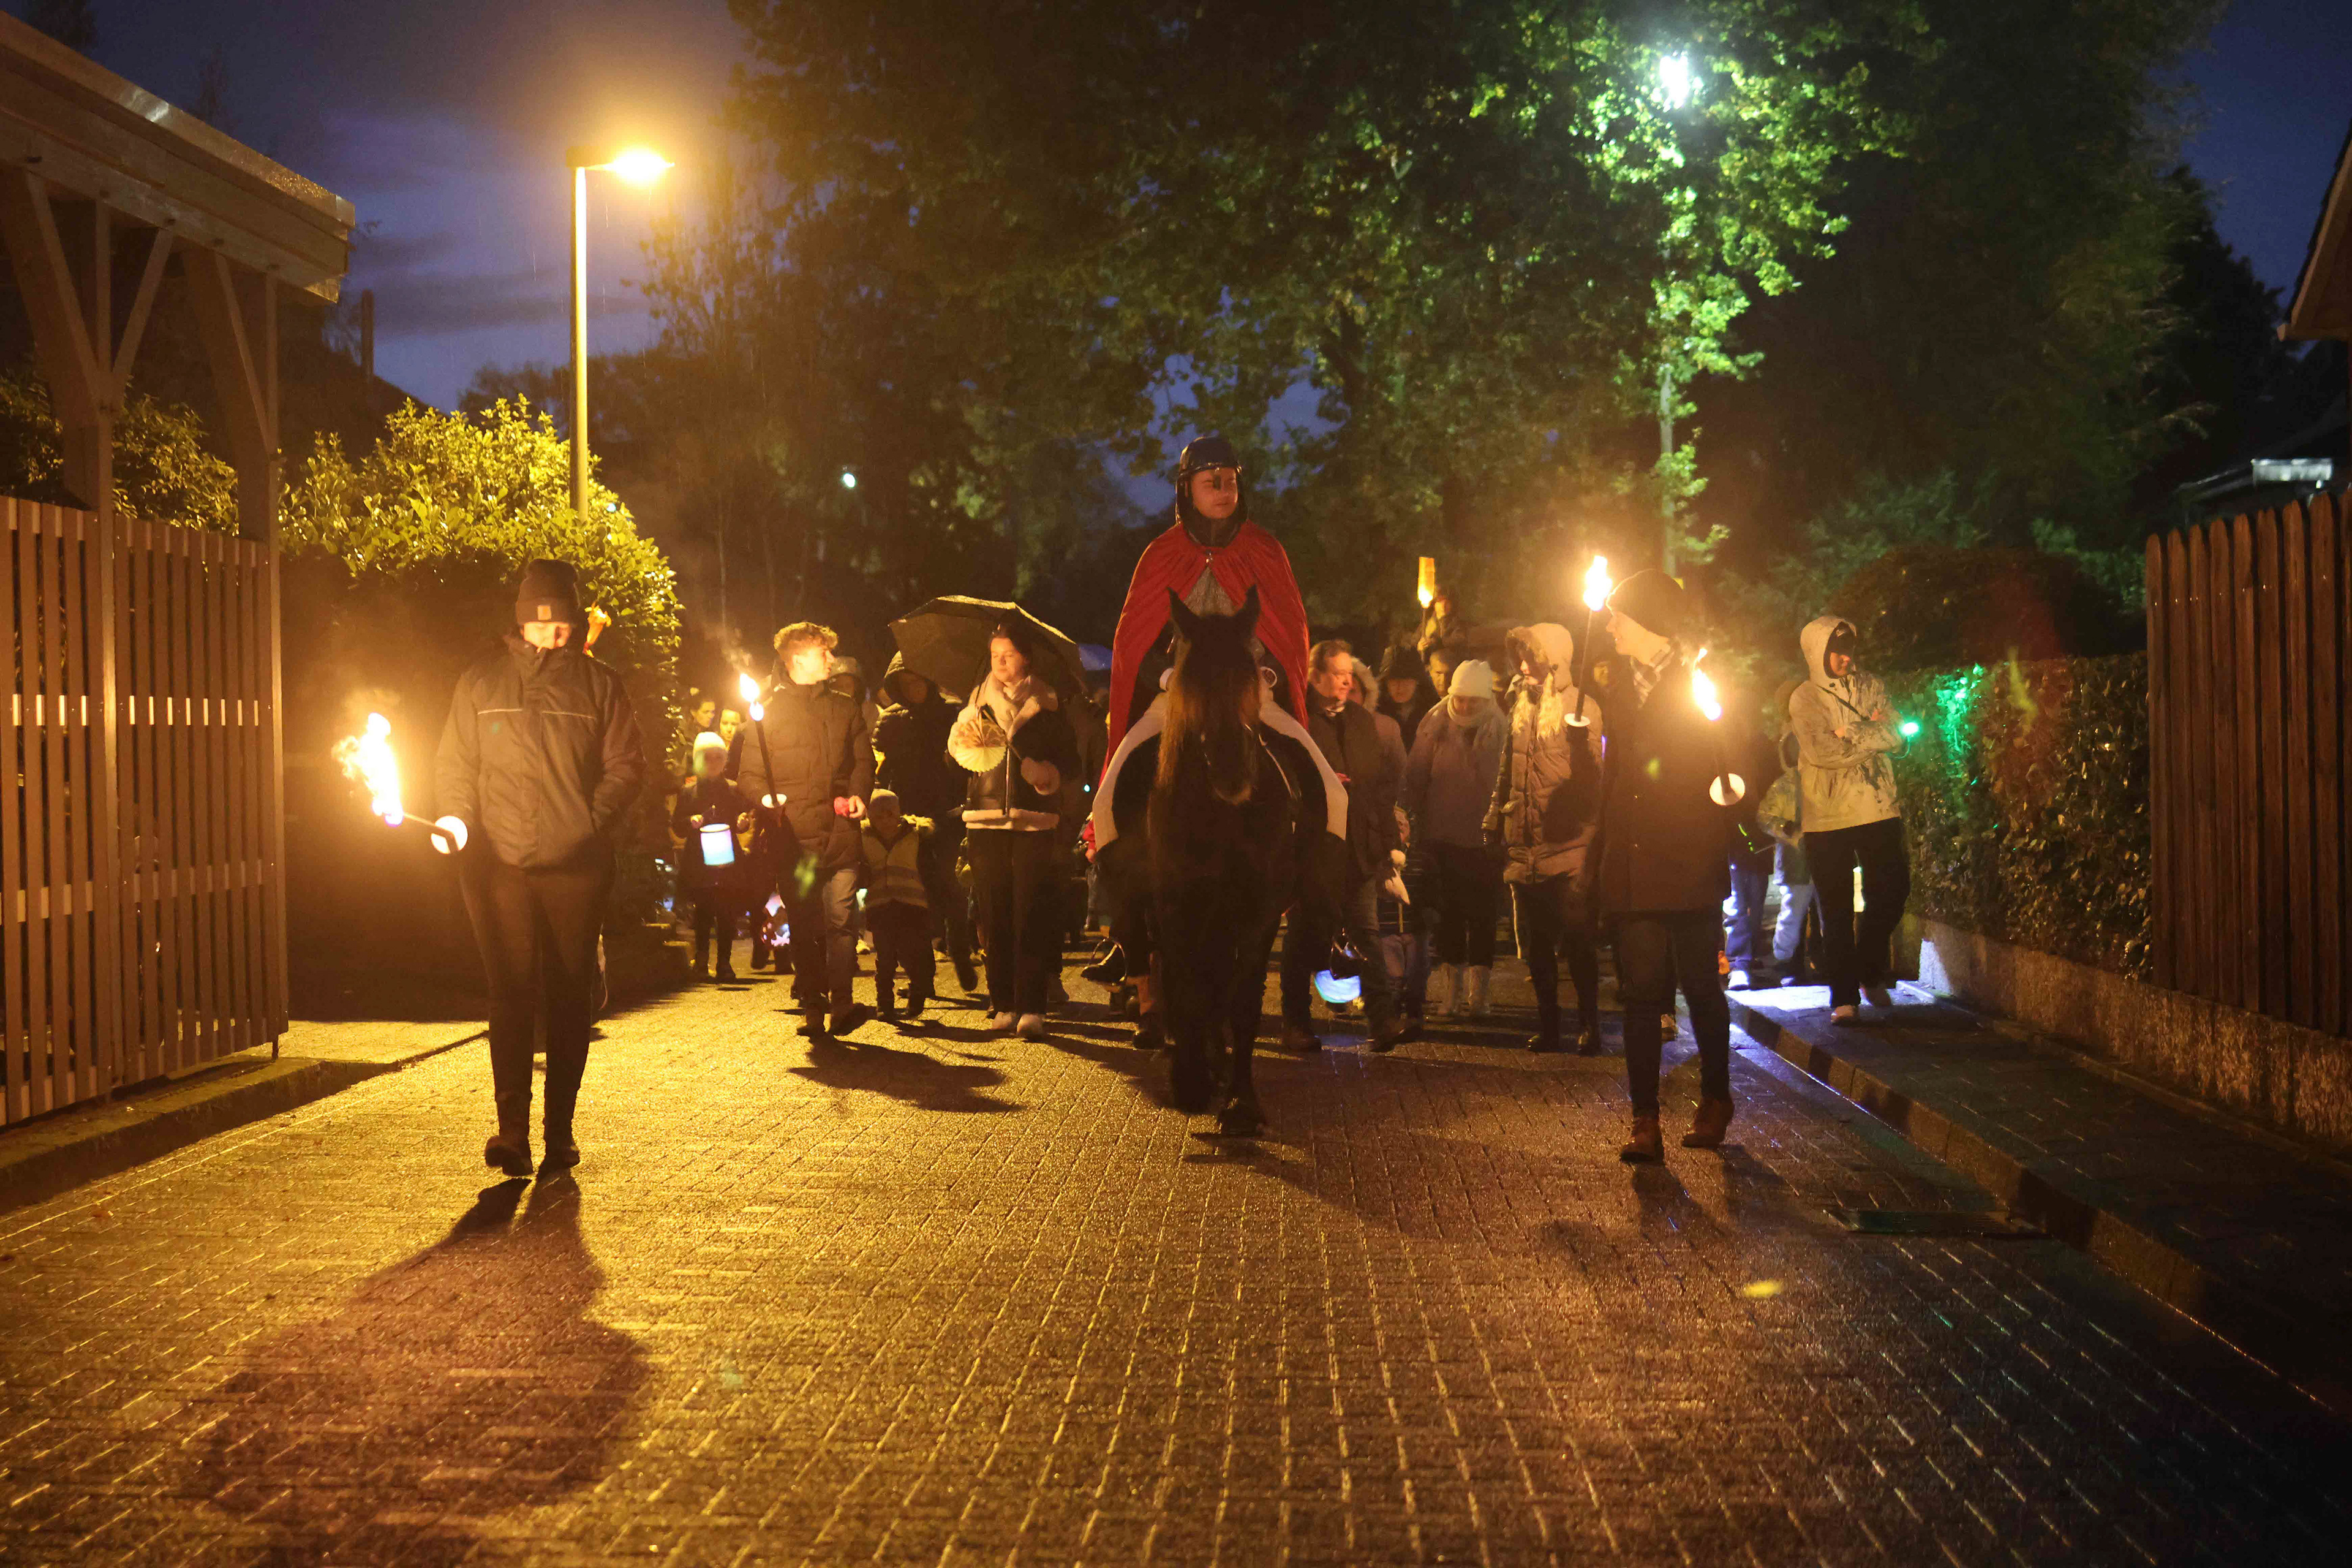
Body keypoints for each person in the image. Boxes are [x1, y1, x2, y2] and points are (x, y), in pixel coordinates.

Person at [432, 559, 645, 1176]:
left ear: (575, 623)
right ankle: (512, 1132)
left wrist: (584, 821)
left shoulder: (600, 685)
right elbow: (455, 766)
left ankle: (559, 1131)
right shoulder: (480, 682)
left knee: (569, 995)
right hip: (497, 865)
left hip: (575, 867)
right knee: (510, 992)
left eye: (562, 626)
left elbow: (627, 766)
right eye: (541, 625)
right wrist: (455, 817)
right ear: (521, 623)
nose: (552, 637)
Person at [1585, 569, 1741, 1161]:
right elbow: (1614, 779)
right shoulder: (1616, 687)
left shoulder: (1697, 679)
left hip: (1690, 856)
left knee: (1702, 989)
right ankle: (1644, 1118)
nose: (1611, 624)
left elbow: (1733, 757)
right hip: (1633, 860)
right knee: (1642, 994)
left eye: (1620, 615)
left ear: (1647, 618)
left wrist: (1732, 782)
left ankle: (1716, 1099)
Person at [1102, 434, 1311, 756]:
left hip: (1253, 698)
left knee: (1331, 796)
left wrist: (1264, 677)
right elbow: (1133, 644)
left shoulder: (1265, 551)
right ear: (1188, 489)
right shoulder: (1161, 555)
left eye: (1231, 481)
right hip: (1178, 700)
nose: (1225, 492)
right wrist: (1171, 679)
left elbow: (1291, 638)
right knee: (1107, 801)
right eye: (1212, 482)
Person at [737, 621, 874, 1038]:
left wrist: (858, 795)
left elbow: (862, 762)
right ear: (797, 658)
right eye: (824, 652)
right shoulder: (767, 713)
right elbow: (749, 774)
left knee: (842, 921)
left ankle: (842, 1004)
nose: (832, 659)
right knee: (804, 924)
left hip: (839, 834)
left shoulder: (845, 707)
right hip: (793, 839)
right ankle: (813, 1007)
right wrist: (765, 800)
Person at [950, 619, 1081, 1038]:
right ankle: (1002, 1001)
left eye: (1008, 654)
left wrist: (1046, 772)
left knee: (1031, 912)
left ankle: (1033, 1007)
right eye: (994, 655)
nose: (1000, 662)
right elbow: (954, 755)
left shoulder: (1049, 703)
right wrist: (963, 741)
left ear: (1025, 657)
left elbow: (1072, 763)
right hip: (986, 818)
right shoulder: (976, 702)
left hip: (1033, 819)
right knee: (994, 911)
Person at [1281, 640, 1409, 1052]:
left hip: (1358, 847)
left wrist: (1387, 840)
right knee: (1305, 937)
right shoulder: (1299, 721)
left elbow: (1377, 787)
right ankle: (1295, 1023)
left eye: (1348, 673)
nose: (1345, 680)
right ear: (1316, 677)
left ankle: (1382, 1020)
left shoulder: (1359, 720)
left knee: (1368, 933)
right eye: (1337, 673)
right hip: (1316, 847)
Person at [1487, 624, 1603, 1054]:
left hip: (1568, 845)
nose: (1523, 666)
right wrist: (1493, 818)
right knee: (1536, 947)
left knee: (1578, 942)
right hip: (1526, 843)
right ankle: (1550, 1025)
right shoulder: (1520, 707)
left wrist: (1582, 745)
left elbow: (1595, 778)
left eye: (1532, 658)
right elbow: (1508, 768)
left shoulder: (1582, 705)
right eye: (1520, 657)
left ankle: (1590, 1025)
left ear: (1552, 661)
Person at [1790, 615, 1910, 1023]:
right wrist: (1871, 734)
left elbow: (1899, 734)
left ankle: (1869, 967)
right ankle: (1844, 996)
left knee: (1894, 888)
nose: (1843, 658)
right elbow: (1824, 752)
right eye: (1833, 651)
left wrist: (1852, 734)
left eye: (1847, 649)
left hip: (1878, 804)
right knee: (1835, 908)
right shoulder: (1804, 698)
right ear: (1816, 654)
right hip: (1826, 814)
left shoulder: (1872, 685)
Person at [1404, 658, 1506, 1019]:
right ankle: (1452, 991)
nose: (1464, 707)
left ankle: (1481, 993)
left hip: (1484, 840)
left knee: (1481, 916)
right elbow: (1416, 776)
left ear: (1486, 700)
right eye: (1459, 699)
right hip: (1442, 836)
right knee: (1448, 916)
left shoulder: (1501, 728)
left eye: (1473, 701)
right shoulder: (1434, 725)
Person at [874, 655, 979, 992]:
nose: (914, 688)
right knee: (915, 898)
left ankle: (960, 953)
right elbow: (884, 768)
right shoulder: (891, 722)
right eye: (906, 684)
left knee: (950, 886)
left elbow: (972, 761)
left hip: (949, 813)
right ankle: (924, 977)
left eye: (919, 681)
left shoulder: (953, 714)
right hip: (908, 818)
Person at [671, 731, 753, 982]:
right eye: (708, 758)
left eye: (719, 757)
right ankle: (702, 961)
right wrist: (690, 822)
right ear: (698, 760)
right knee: (704, 912)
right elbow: (677, 825)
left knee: (726, 912)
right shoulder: (689, 792)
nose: (714, 763)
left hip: (727, 861)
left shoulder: (732, 789)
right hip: (699, 862)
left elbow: (743, 818)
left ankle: (725, 963)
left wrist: (742, 823)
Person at [859, 790, 936, 1020]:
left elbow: (928, 870)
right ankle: (884, 1003)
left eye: (890, 814)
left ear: (899, 813)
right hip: (881, 906)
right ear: (870, 817)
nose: (885, 820)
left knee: (914, 956)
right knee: (885, 959)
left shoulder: (915, 836)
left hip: (912, 906)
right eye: (879, 815)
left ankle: (917, 995)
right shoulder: (864, 838)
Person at [1758, 690, 1818, 986]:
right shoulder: (1785, 785)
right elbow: (1765, 816)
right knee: (1793, 916)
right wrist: (1789, 829)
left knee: (1830, 916)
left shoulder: (1828, 780)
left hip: (1826, 859)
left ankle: (1828, 964)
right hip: (1797, 862)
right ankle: (1789, 965)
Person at [1375, 644, 1437, 752]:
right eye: (1394, 682)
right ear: (1386, 683)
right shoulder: (1376, 711)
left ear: (1417, 682)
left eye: (1406, 682)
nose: (1400, 688)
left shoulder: (1433, 710)